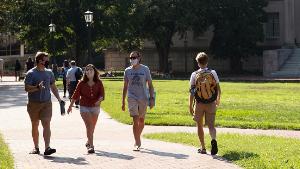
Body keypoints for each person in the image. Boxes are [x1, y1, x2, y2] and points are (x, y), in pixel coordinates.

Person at [24, 51, 62, 155]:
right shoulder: (31, 73)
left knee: (46, 124)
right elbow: (26, 88)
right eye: (46, 60)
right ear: (40, 61)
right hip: (34, 104)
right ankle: (36, 148)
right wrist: (37, 87)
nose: (48, 62)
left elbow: (53, 87)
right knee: (35, 125)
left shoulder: (49, 72)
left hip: (46, 103)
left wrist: (59, 99)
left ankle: (47, 148)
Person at [67, 64, 104, 153]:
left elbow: (102, 94)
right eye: (87, 70)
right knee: (89, 125)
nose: (89, 71)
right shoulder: (81, 83)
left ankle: (88, 141)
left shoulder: (99, 82)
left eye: (91, 70)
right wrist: (70, 106)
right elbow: (75, 95)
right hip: (84, 107)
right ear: (85, 72)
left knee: (92, 127)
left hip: (95, 107)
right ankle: (91, 146)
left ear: (94, 72)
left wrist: (99, 100)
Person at [189, 52, 221, 155]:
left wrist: (190, 105)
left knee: (199, 125)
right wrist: (218, 99)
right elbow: (218, 88)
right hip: (211, 102)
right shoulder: (213, 72)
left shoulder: (194, 75)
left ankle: (203, 148)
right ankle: (213, 140)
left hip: (199, 103)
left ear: (197, 63)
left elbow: (192, 92)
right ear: (207, 62)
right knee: (211, 126)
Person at [122, 51, 154, 151]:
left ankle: (137, 136)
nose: (132, 59)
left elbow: (150, 84)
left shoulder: (145, 69)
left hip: (143, 97)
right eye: (131, 58)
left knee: (141, 120)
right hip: (132, 97)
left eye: (134, 57)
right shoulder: (127, 70)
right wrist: (123, 101)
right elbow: (125, 86)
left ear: (139, 58)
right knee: (135, 119)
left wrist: (152, 98)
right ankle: (137, 141)